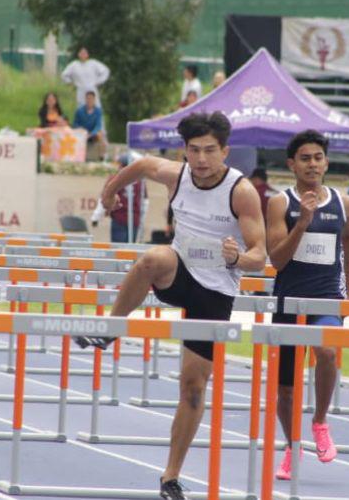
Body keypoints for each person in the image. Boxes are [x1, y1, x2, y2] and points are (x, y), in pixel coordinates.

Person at [74, 111, 266, 500]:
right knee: (152, 258)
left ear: (225, 151)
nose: (201, 159)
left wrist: (237, 258)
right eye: (194, 150)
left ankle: (170, 476)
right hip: (178, 272)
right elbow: (141, 165)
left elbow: (260, 256)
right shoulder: (176, 175)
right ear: (184, 152)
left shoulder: (241, 191)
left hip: (214, 293)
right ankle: (110, 329)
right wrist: (109, 193)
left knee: (193, 387)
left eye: (209, 151)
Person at [267, 130, 349, 480]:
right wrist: (302, 223)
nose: (312, 164)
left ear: (326, 163)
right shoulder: (280, 203)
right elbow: (277, 260)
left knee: (327, 351)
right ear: (292, 164)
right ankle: (292, 446)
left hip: (327, 297)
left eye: (318, 158)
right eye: (305, 158)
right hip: (289, 300)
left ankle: (320, 422)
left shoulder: (343, 203)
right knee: (286, 390)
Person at [73, 91, 108, 160]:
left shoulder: (98, 111)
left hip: (93, 133)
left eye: (91, 98)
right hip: (82, 133)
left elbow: (98, 125)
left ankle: (102, 157)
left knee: (100, 135)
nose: (89, 100)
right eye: (88, 98)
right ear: (85, 99)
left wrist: (91, 134)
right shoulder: (79, 111)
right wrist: (82, 130)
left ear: (94, 99)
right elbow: (75, 124)